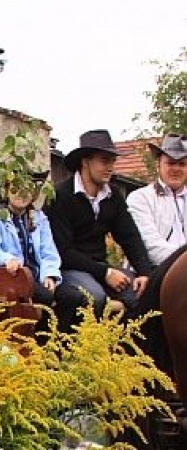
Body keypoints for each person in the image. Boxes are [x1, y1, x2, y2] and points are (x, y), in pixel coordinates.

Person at [45, 129, 152, 320]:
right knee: (94, 297)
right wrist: (105, 272)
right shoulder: (61, 196)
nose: (110, 167)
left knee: (145, 294)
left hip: (99, 268)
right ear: (85, 161)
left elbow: (130, 237)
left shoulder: (113, 196)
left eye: (112, 161)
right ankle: (82, 348)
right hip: (68, 269)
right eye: (104, 161)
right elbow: (63, 251)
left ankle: (128, 347)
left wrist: (144, 272)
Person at [0, 173, 86, 332]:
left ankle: (58, 343)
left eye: (27, 189)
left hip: (37, 276)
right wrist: (7, 258)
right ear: (7, 190)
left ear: (34, 194)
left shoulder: (38, 218)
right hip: (15, 278)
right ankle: (40, 341)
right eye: (16, 188)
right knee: (45, 297)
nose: (21, 193)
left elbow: (48, 252)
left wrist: (49, 274)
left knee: (73, 297)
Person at [126, 134, 187, 268]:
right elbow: (151, 246)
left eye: (182, 164)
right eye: (170, 163)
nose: (176, 169)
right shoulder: (140, 198)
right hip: (151, 272)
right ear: (158, 165)